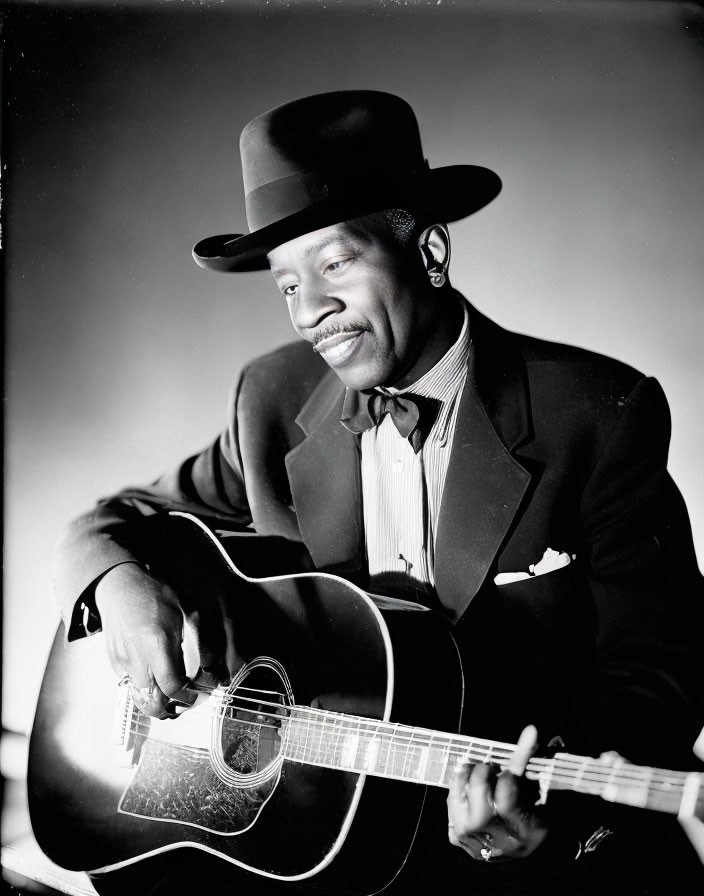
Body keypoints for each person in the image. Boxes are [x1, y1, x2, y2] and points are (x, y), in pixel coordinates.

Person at [53, 91, 704, 895]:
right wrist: (116, 586)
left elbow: (663, 682)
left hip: (545, 858)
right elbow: (113, 520)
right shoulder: (272, 401)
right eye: (285, 285)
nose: (308, 313)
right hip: (332, 848)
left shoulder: (596, 414)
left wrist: (544, 823)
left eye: (333, 265)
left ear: (428, 252)